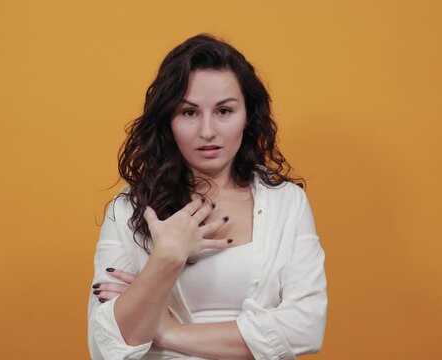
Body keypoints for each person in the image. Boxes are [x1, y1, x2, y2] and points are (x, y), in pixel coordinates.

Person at [88, 33, 327, 360]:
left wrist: (168, 332)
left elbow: (306, 327)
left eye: (224, 111)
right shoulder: (131, 209)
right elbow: (106, 345)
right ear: (168, 120)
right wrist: (166, 258)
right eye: (189, 113)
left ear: (248, 115)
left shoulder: (287, 202)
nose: (207, 131)